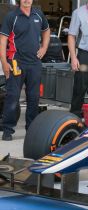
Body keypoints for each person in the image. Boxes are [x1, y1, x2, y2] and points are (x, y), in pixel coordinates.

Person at [0, 0, 50, 141]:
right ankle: (8, 129)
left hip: (34, 63)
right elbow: (2, 39)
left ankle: (31, 128)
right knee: (13, 96)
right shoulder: (12, 16)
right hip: (16, 62)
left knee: (33, 97)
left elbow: (46, 31)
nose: (27, 0)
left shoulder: (38, 14)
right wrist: (4, 62)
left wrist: (44, 48)